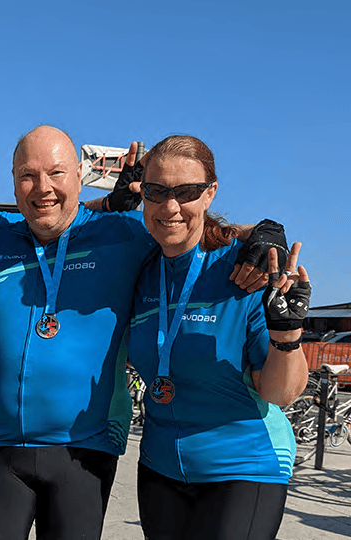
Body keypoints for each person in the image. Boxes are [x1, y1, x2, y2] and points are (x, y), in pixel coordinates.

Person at [0, 126, 283, 540]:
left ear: (79, 174)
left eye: (56, 173)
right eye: (27, 175)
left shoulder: (125, 233)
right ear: (13, 179)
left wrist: (262, 233)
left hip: (84, 448)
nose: (43, 187)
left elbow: (189, 224)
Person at [127, 135, 310, 540]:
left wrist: (287, 334)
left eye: (187, 192)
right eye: (157, 192)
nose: (170, 207)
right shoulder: (138, 263)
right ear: (143, 194)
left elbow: (282, 394)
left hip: (243, 465)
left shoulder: (245, 271)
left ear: (209, 193)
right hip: (160, 466)